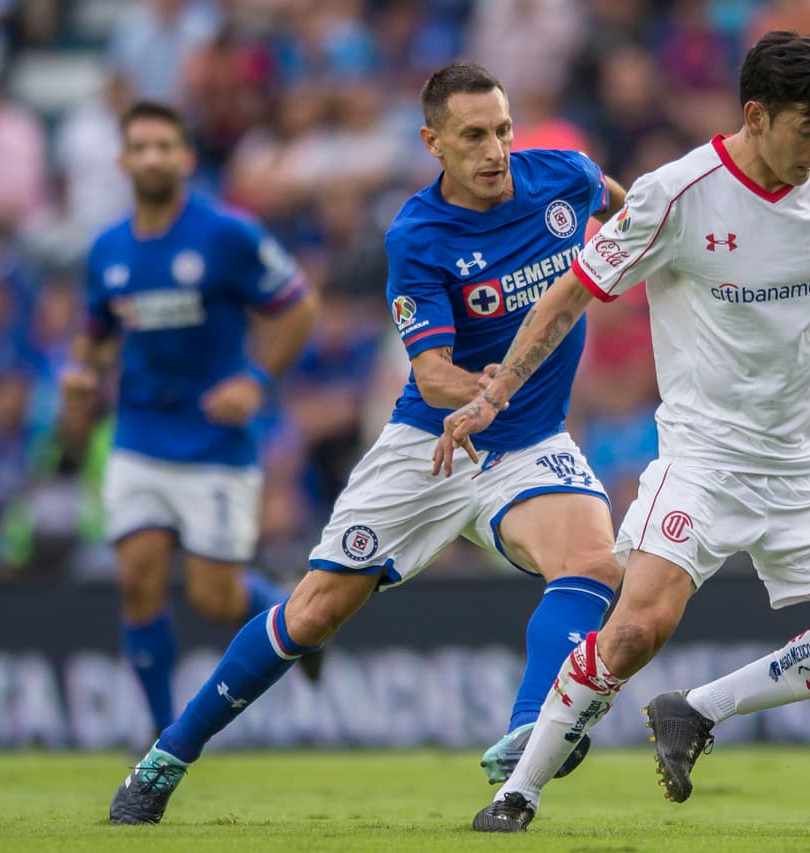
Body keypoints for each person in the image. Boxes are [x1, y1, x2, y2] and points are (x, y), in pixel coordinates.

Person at [108, 62, 628, 824]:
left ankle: (526, 732)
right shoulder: (418, 234)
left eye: (504, 130)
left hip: (527, 440)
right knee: (313, 613)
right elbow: (432, 371)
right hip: (428, 444)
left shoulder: (565, 178)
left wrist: (632, 242)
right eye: (474, 136)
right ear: (433, 143)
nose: (495, 150)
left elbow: (626, 208)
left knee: (592, 561)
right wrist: (484, 393)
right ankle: (164, 758)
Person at [440, 31, 810, 832]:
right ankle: (516, 792)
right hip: (704, 459)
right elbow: (571, 292)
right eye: (808, 129)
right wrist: (495, 394)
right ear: (756, 115)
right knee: (633, 629)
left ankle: (697, 711)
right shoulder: (674, 193)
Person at [63, 101, 318, 740]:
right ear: (122, 161)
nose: (151, 157)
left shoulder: (227, 234)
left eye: (163, 146)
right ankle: (158, 741)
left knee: (214, 600)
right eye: (140, 147)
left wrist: (255, 381)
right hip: (139, 435)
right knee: (137, 577)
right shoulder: (107, 250)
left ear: (185, 157)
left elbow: (299, 306)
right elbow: (95, 335)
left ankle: (292, 614)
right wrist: (82, 375)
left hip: (214, 441)